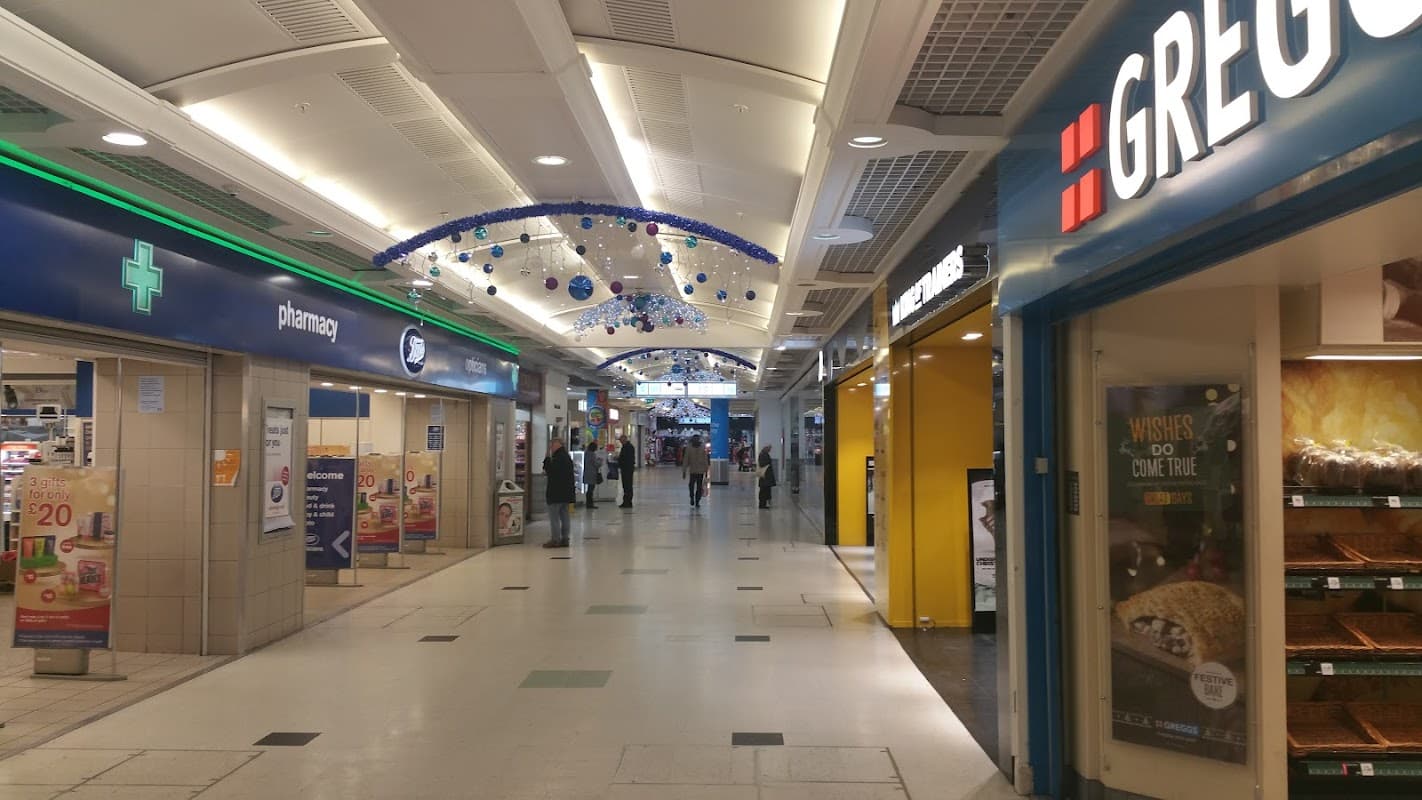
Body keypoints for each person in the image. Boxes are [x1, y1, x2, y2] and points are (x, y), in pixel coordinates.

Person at [542, 438, 574, 547]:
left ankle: (555, 539)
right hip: (566, 493)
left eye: (552, 445)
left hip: (556, 493)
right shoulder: (566, 457)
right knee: (565, 516)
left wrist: (546, 459)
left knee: (554, 517)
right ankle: (565, 538)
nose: (551, 447)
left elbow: (551, 471)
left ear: (557, 444)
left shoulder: (557, 458)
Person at [682, 435, 709, 509]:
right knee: (696, 486)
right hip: (696, 470)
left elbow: (686, 460)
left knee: (694, 485)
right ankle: (694, 499)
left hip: (696, 470)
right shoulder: (692, 448)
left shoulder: (693, 448)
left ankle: (695, 499)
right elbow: (686, 459)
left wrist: (706, 470)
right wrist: (684, 470)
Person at [617, 434, 636, 508]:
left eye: (621, 440)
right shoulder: (627, 446)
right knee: (626, 485)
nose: (620, 442)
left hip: (627, 469)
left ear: (624, 439)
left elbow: (625, 458)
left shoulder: (627, 447)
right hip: (627, 468)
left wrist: (619, 460)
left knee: (627, 485)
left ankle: (628, 502)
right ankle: (626, 501)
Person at [583, 440, 602, 509]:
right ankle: (590, 504)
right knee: (591, 489)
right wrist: (600, 461)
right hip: (592, 473)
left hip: (587, 473)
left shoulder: (586, 453)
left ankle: (589, 503)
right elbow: (596, 464)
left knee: (589, 489)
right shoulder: (592, 454)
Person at [757, 445, 777, 509]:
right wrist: (768, 463)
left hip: (766, 477)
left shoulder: (763, 454)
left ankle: (763, 504)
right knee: (764, 491)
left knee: (765, 490)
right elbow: (763, 464)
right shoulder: (763, 455)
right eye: (769, 448)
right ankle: (762, 504)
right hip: (765, 476)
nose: (770, 450)